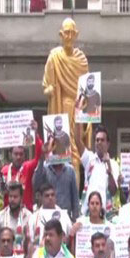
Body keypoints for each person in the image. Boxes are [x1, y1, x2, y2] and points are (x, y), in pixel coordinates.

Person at [43, 18, 89, 184]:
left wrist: (88, 115)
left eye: (72, 33)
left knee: (75, 153)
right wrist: (49, 90)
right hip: (59, 107)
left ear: (76, 35)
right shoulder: (54, 57)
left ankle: (74, 195)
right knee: (58, 153)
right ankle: (56, 193)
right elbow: (46, 85)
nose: (69, 36)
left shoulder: (82, 59)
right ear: (61, 35)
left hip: (76, 110)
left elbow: (88, 90)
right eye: (66, 33)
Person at [74, 122, 119, 217]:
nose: (99, 143)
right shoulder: (89, 159)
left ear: (108, 144)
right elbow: (77, 140)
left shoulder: (114, 164)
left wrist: (109, 167)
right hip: (87, 213)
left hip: (105, 215)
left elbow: (113, 191)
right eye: (97, 140)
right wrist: (79, 116)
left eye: (102, 140)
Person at [0, 120, 43, 211]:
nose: (18, 157)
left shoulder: (28, 167)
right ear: (11, 154)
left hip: (25, 212)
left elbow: (39, 155)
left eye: (21, 154)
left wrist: (36, 133)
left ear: (25, 155)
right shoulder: (4, 170)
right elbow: (0, 191)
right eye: (16, 154)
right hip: (8, 213)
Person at [32, 153, 79, 221]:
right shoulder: (44, 168)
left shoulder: (70, 170)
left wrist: (75, 218)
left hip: (65, 216)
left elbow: (75, 196)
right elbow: (36, 184)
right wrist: (41, 159)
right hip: (47, 215)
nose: (57, 154)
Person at [0, 182, 32, 257]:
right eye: (10, 196)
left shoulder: (29, 217)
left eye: (15, 197)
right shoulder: (1, 216)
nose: (12, 200)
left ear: (21, 198)